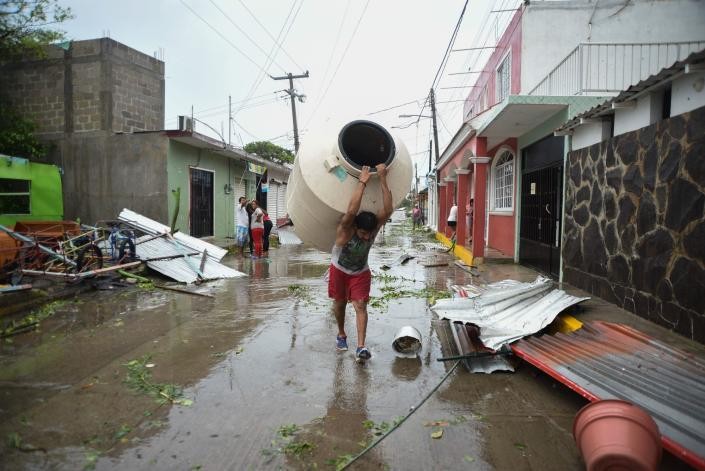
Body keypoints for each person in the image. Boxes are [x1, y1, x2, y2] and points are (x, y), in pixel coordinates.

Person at [329, 163, 393, 361]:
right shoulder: (346, 230)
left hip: (360, 272)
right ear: (355, 227)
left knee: (360, 306)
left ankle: (361, 347)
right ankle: (341, 334)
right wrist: (362, 182)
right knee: (339, 305)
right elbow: (350, 210)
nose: (367, 237)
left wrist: (382, 178)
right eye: (363, 233)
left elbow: (388, 209)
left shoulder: (372, 230)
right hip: (339, 270)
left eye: (369, 234)